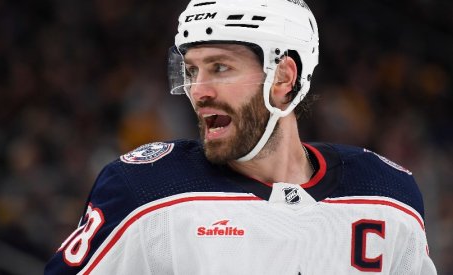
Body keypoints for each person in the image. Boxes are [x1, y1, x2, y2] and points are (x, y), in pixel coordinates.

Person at [45, 0, 437, 274]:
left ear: (283, 77)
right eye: (192, 70)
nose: (198, 90)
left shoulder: (388, 196)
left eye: (219, 67)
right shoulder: (145, 192)